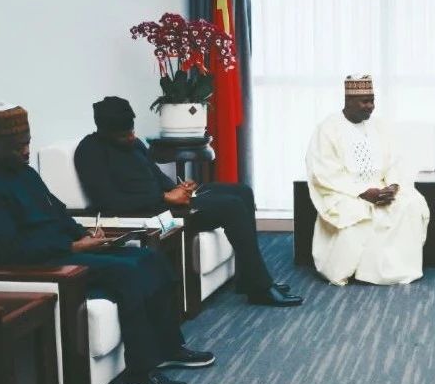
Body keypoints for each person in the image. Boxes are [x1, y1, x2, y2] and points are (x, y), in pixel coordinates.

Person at [0, 104, 213, 384]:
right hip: (47, 265)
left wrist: (83, 235)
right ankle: (139, 375)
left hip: (69, 251)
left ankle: (169, 348)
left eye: (27, 142)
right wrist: (71, 246)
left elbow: (58, 212)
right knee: (129, 273)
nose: (27, 151)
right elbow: (10, 252)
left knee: (150, 259)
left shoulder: (26, 174)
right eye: (18, 147)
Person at [73, 96, 301, 307]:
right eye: (124, 135)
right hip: (152, 215)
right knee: (231, 206)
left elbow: (156, 175)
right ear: (105, 132)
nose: (131, 137)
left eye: (131, 131)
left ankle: (248, 278)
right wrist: (164, 197)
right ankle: (260, 288)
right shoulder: (90, 151)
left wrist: (179, 188)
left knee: (242, 191)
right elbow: (109, 201)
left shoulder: (135, 144)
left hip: (166, 202)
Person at [305, 75, 430, 286]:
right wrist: (363, 192)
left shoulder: (379, 126)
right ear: (348, 101)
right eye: (364, 101)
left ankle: (397, 268)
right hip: (344, 191)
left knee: (411, 204)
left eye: (372, 100)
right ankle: (359, 270)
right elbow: (324, 171)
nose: (370, 106)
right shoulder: (328, 128)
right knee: (358, 213)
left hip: (381, 187)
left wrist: (392, 186)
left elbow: (395, 161)